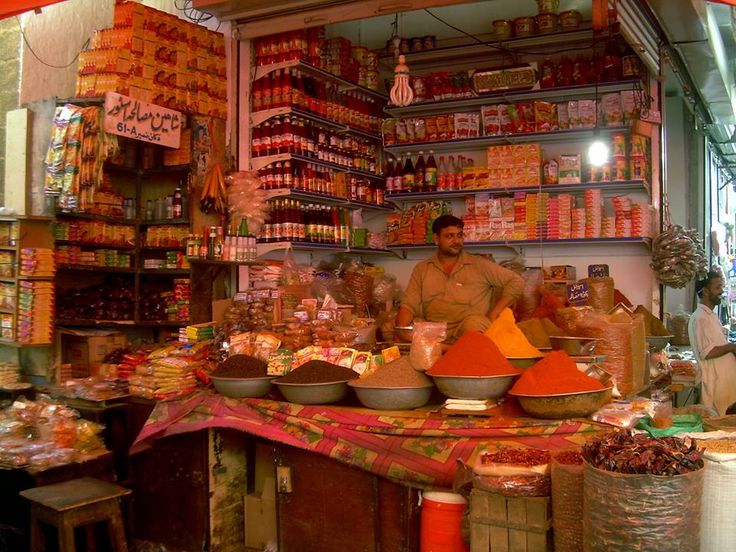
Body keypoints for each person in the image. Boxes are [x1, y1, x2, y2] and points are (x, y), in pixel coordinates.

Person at [395, 214, 525, 342]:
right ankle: (442, 349)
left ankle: (447, 351)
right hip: (435, 331)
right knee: (397, 327)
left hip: (468, 330)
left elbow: (516, 281)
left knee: (474, 323)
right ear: (436, 239)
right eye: (449, 236)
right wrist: (401, 330)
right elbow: (409, 305)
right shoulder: (422, 268)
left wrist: (493, 315)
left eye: (459, 235)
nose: (456, 241)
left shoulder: (479, 264)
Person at [688, 270, 736, 415]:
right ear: (706, 291)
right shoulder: (700, 318)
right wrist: (732, 347)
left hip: (724, 385)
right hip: (715, 386)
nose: (721, 291)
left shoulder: (711, 315)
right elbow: (707, 352)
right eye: (717, 287)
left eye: (721, 287)